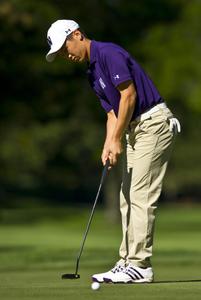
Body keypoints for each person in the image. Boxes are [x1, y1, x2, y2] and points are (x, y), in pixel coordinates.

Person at [45, 19, 181, 284]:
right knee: (126, 195)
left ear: (77, 34)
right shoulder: (92, 73)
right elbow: (112, 113)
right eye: (60, 53)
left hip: (153, 123)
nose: (66, 55)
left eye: (65, 47)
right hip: (132, 128)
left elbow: (128, 96)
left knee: (140, 194)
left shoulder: (108, 53)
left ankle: (140, 264)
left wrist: (117, 138)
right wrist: (109, 143)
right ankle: (127, 260)